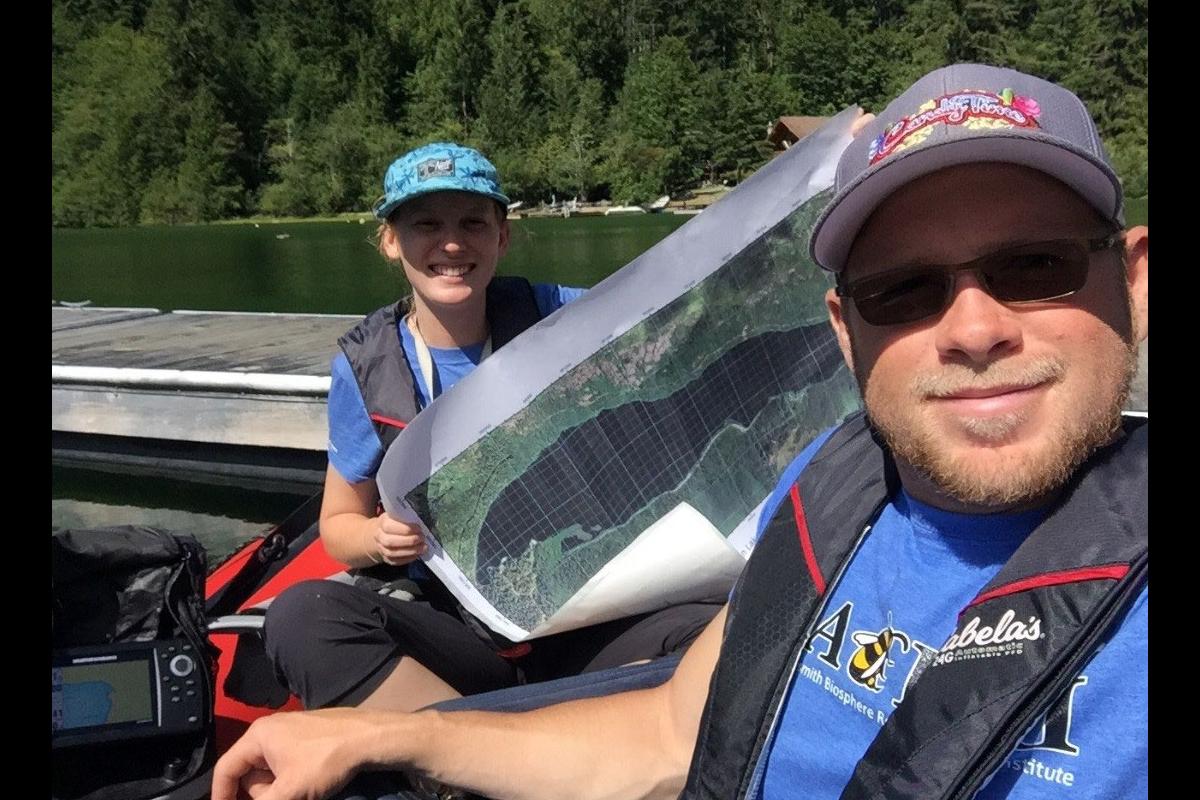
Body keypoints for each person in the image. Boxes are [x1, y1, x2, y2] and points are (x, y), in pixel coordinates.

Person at [214, 63, 1148, 800]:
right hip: (463, 609)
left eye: (1038, 266)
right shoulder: (831, 495)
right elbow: (671, 735)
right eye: (901, 289)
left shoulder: (568, 326)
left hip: (597, 608)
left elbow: (699, 321)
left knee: (684, 633)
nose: (976, 329)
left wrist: (809, 163)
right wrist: (388, 707)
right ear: (845, 323)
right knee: (305, 614)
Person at [262, 142, 722, 714]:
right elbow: (337, 527)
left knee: (721, 626)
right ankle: (461, 761)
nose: (451, 243)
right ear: (389, 240)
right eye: (426, 223)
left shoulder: (561, 314)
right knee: (301, 618)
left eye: (473, 223)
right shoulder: (367, 369)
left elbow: (693, 299)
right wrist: (379, 540)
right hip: (458, 634)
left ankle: (576, 741)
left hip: (589, 618)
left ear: (502, 236)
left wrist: (832, 172)